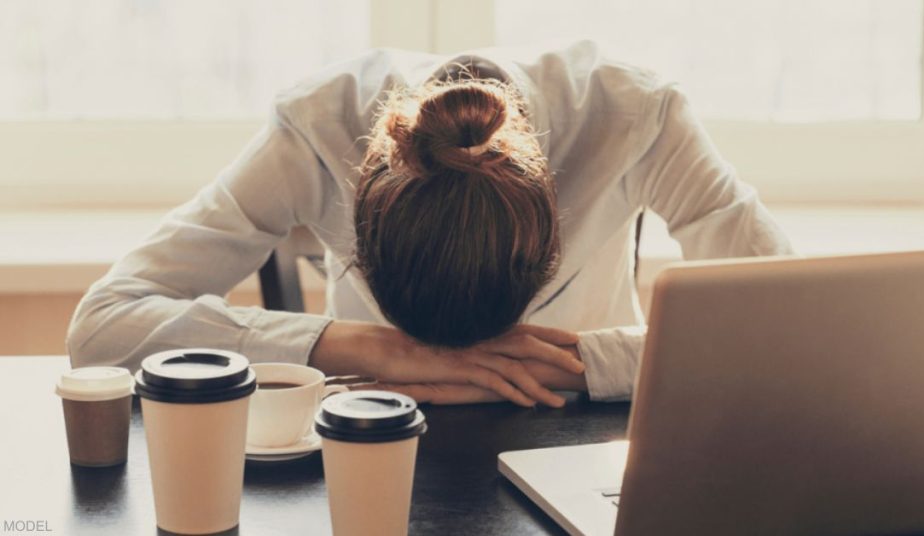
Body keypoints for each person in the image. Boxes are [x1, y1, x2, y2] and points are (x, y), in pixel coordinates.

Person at [67, 41, 793, 407]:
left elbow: (794, 325)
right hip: (378, 418)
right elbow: (104, 325)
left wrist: (577, 362)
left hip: (581, 429)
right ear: (361, 217)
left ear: (550, 222)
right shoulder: (319, 124)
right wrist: (369, 348)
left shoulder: (638, 115)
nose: (470, 362)